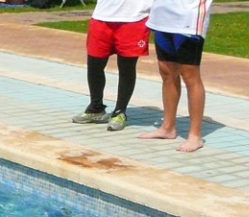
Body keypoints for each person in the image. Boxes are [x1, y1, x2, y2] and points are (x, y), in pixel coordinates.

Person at [138, 0, 214, 152]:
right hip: (162, 14)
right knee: (166, 71)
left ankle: (195, 135)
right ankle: (168, 127)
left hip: (188, 16)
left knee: (189, 74)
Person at [72, 0, 154, 132]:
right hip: (102, 16)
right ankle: (96, 108)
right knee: (94, 65)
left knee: (126, 68)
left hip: (134, 18)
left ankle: (119, 112)